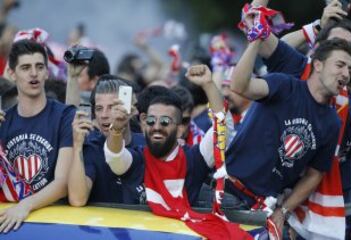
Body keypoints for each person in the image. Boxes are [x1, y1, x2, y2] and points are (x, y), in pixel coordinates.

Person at [227, 36, 351, 234]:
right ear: (318, 65)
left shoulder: (332, 122)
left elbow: (316, 174)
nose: (346, 74)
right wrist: (255, 42)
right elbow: (240, 86)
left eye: (350, 69)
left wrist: (284, 210)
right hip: (226, 191)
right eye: (340, 65)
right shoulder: (284, 85)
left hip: (261, 210)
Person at [104, 64, 224, 205]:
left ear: (180, 129)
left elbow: (222, 128)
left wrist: (208, 84)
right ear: (143, 124)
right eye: (151, 120)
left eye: (165, 121)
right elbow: (115, 157)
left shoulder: (194, 160)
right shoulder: (137, 160)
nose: (156, 126)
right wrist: (116, 129)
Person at [0, 39, 75, 233]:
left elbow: (62, 183)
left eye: (39, 67)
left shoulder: (65, 116)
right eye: (25, 67)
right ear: (11, 73)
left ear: (46, 72)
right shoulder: (3, 120)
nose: (33, 73)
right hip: (9, 222)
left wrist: (25, 206)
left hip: (54, 224)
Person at [68, 75, 145, 206]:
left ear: (129, 108)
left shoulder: (146, 145)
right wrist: (77, 146)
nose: (104, 115)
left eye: (111, 107)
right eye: (99, 109)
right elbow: (77, 200)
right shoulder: (91, 148)